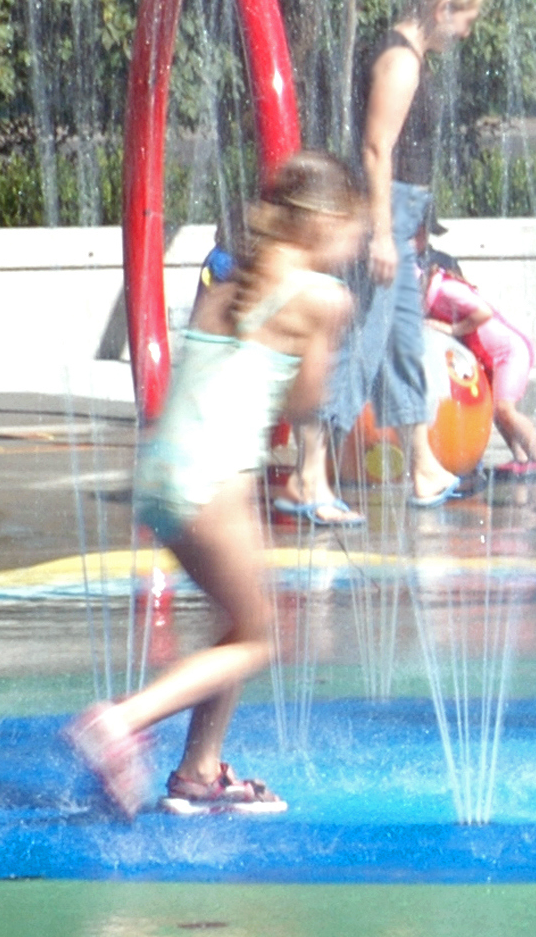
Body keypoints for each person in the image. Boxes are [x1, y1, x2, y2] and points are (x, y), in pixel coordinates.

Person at [66, 152, 362, 817]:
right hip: (215, 477)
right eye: (354, 231)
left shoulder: (229, 283)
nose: (357, 247)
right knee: (259, 637)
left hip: (166, 469)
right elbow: (310, 400)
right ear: (327, 222)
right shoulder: (323, 297)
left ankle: (200, 770)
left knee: (240, 615)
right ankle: (122, 721)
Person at [284, 0, 487, 520]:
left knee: (401, 344)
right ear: (441, 9)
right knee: (358, 347)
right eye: (465, 19)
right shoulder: (400, 61)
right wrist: (381, 233)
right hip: (386, 210)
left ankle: (423, 468)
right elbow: (376, 150)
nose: (466, 31)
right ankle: (308, 477)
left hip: (400, 211)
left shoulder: (408, 55)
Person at [420, 232, 536, 475]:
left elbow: (483, 313)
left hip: (509, 352)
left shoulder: (445, 289)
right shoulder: (432, 296)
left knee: (505, 409)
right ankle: (521, 459)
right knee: (495, 412)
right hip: (491, 354)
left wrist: (451, 328)